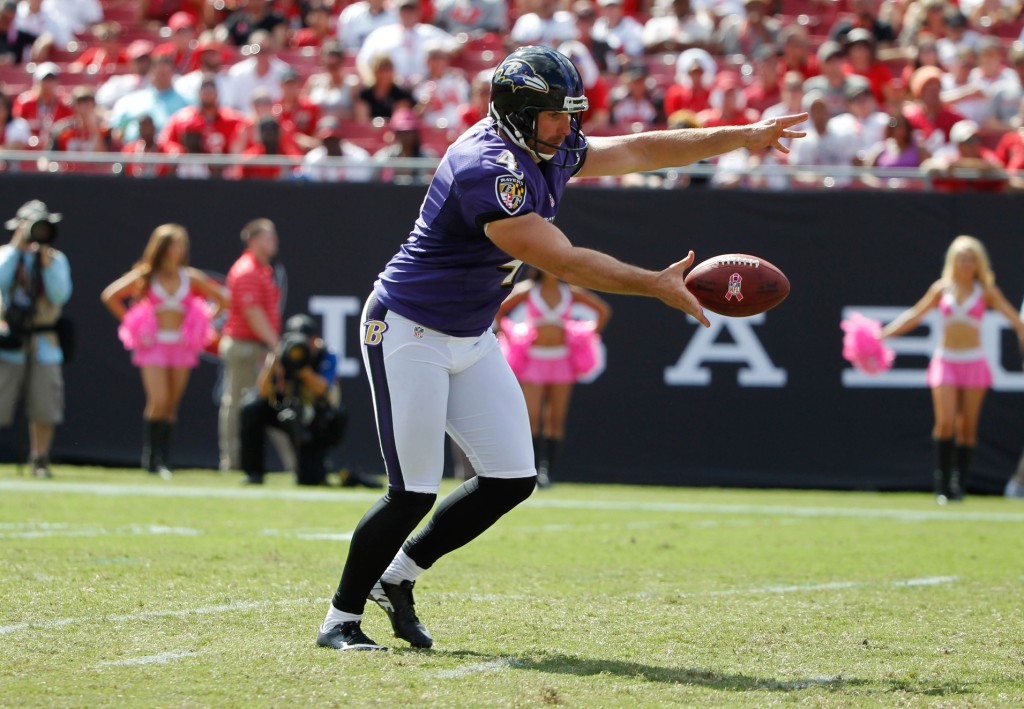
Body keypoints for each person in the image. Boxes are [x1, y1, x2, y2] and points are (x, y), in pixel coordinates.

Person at [315, 45, 806, 651]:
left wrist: (745, 136)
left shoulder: (546, 144)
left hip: (469, 332)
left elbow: (643, 148)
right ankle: (340, 619)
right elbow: (563, 259)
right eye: (553, 116)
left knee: (511, 478)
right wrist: (653, 284)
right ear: (518, 113)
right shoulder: (487, 166)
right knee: (412, 489)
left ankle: (399, 577)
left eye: (570, 115)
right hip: (408, 329)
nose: (567, 128)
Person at [879, 235, 1024, 504]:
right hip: (946, 360)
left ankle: (960, 485)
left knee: (967, 427)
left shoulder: (986, 291)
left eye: (971, 259)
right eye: (961, 258)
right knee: (945, 423)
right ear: (953, 261)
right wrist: (883, 334)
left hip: (974, 362)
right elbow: (915, 314)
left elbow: (1014, 318)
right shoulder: (941, 289)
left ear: (978, 263)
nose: (966, 264)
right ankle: (942, 486)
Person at [100, 224, 229, 478]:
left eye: (182, 244)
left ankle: (164, 460)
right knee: (158, 400)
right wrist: (134, 322)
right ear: (161, 247)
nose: (179, 250)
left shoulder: (190, 277)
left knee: (171, 404)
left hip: (181, 347)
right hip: (154, 346)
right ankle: (150, 457)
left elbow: (224, 299)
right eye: (174, 244)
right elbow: (110, 295)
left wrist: (202, 322)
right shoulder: (147, 275)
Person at [495, 268, 612, 488]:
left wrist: (584, 336)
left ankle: (547, 473)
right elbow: (498, 311)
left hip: (561, 361)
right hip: (534, 361)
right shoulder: (528, 290)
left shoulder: (570, 292)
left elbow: (603, 310)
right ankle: (530, 471)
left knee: (555, 419)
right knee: (531, 417)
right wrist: (513, 336)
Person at [0, 200, 71, 479]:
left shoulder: (56, 259)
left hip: (44, 341)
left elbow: (59, 296)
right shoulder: (6, 254)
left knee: (44, 404)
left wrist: (45, 262)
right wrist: (18, 247)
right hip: (10, 341)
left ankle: (40, 457)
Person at [239, 314, 346, 486]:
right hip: (283, 407)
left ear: (314, 340)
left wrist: (303, 370)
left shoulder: (326, 354)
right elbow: (263, 392)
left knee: (310, 479)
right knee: (251, 406)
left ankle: (311, 470)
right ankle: (253, 472)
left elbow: (323, 389)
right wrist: (273, 363)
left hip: (315, 414)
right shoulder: (280, 355)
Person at [218, 218, 282, 472]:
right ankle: (232, 462)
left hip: (256, 345)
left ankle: (243, 460)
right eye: (269, 237)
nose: (274, 241)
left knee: (253, 404)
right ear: (253, 241)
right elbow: (252, 313)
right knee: (237, 405)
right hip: (246, 346)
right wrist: (275, 344)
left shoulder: (262, 269)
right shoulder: (247, 270)